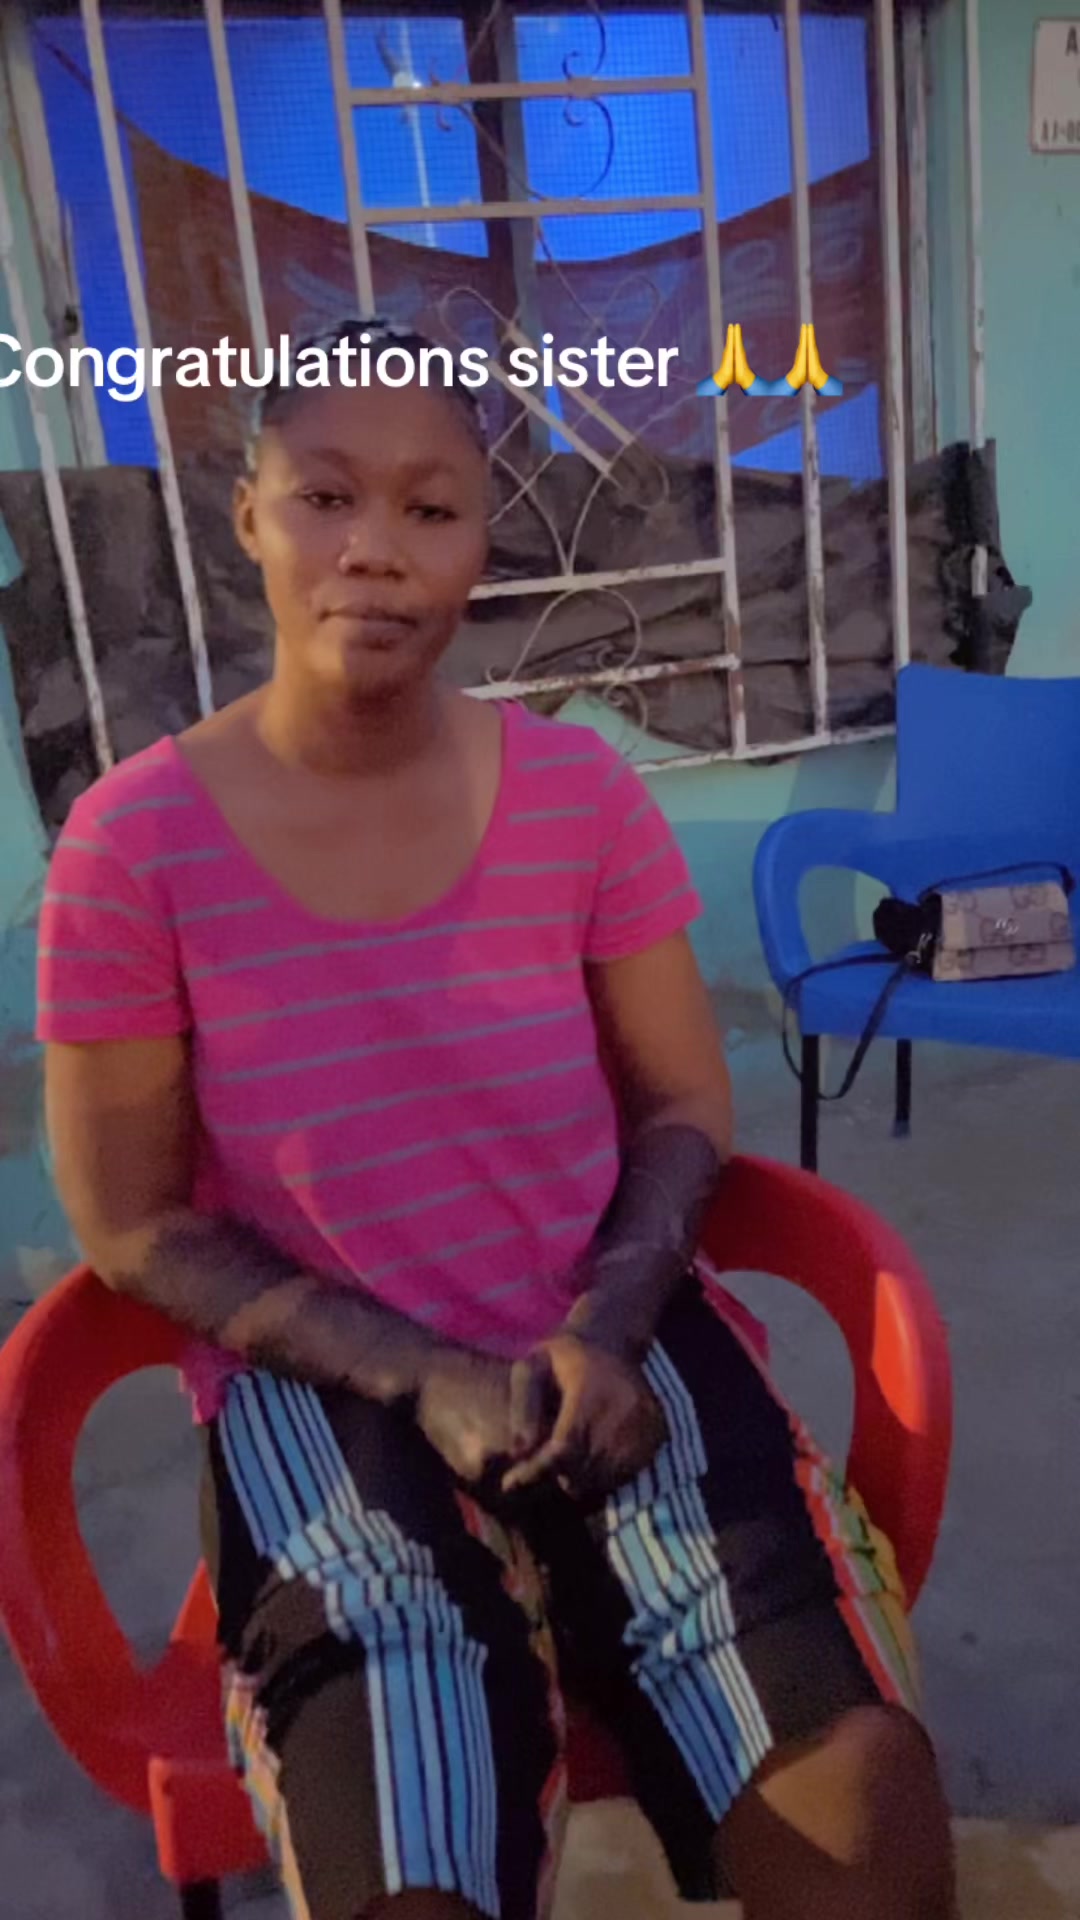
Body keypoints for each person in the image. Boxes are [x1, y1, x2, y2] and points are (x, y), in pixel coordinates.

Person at [37, 320, 955, 1920]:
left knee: (857, 1795)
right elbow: (131, 1222)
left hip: (609, 1338)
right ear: (246, 515)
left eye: (431, 508)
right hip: (323, 1379)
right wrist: (421, 1373)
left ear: (484, 541)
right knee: (409, 1864)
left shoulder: (578, 798)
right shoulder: (134, 847)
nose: (375, 551)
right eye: (326, 496)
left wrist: (609, 1320)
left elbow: (682, 1104)